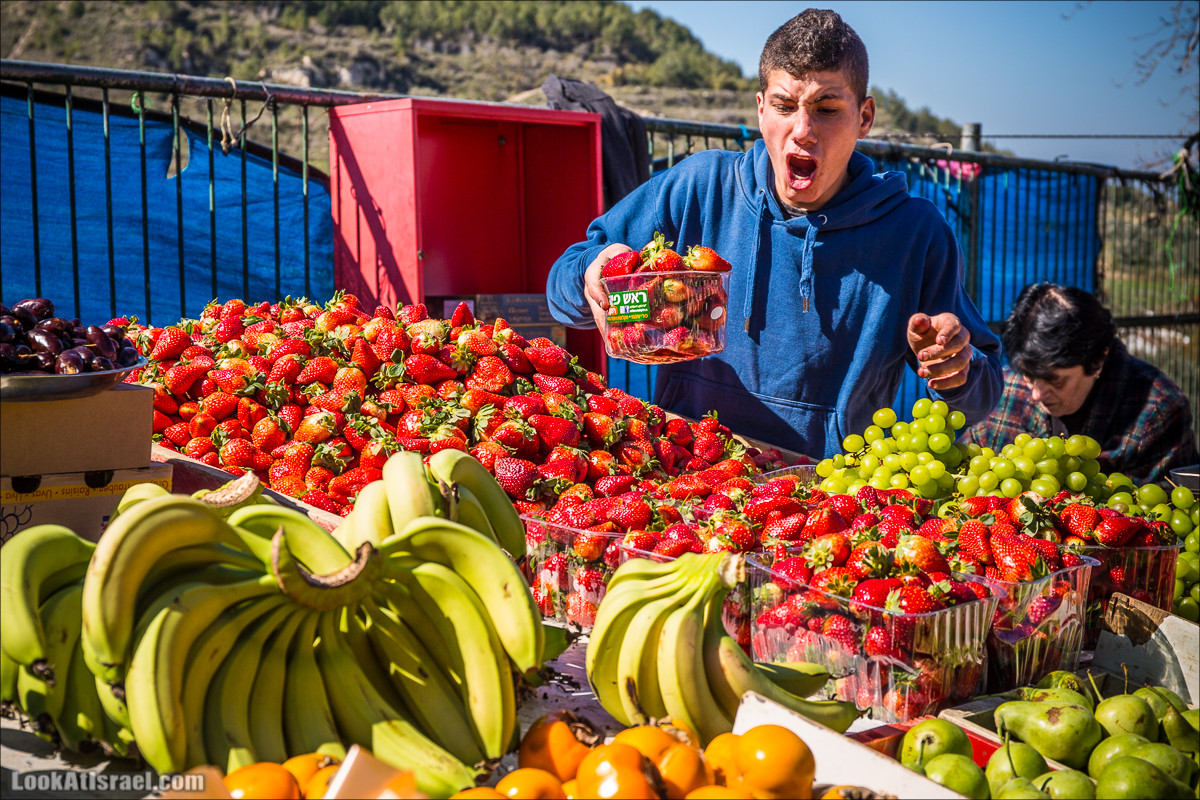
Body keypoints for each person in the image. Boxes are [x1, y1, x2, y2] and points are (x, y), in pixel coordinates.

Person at [545, 8, 1003, 458]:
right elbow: (560, 291)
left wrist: (957, 369)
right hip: (682, 480)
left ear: (864, 117)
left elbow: (983, 395)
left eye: (826, 109)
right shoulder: (699, 186)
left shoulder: (914, 233)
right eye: (785, 106)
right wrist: (592, 273)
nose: (802, 130)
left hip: (824, 509)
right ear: (761, 109)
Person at [963, 282, 1199, 485]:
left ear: (1097, 362)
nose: (1036, 393)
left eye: (1055, 380)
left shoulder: (1156, 411)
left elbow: (1165, 517)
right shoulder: (1004, 389)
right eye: (1029, 375)